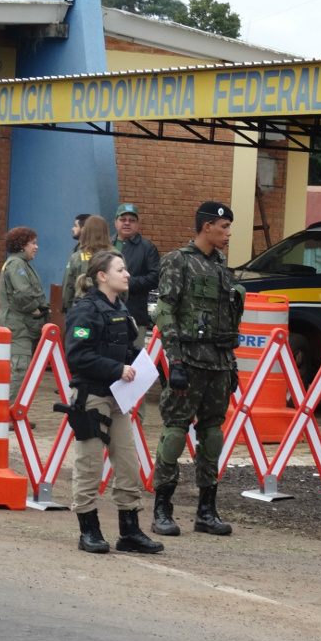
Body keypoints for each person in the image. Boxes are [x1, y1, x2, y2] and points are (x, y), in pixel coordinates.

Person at [150, 201, 244, 538]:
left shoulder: (221, 267)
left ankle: (207, 511)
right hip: (187, 359)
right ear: (207, 226)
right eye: (224, 227)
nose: (228, 233)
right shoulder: (178, 261)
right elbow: (165, 311)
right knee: (175, 433)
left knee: (213, 435)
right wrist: (174, 361)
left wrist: (231, 364)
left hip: (218, 363)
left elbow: (226, 321)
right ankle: (162, 509)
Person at [64, 249, 163, 555]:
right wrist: (116, 369)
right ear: (101, 276)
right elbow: (77, 355)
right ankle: (89, 530)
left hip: (117, 397)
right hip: (92, 396)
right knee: (90, 463)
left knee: (128, 463)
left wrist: (142, 365)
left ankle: (130, 531)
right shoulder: (85, 311)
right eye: (121, 269)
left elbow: (125, 348)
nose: (127, 274)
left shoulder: (120, 308)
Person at [0, 226, 50, 404]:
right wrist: (36, 311)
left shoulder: (20, 264)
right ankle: (8, 413)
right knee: (19, 369)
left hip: (22, 326)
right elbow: (23, 293)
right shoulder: (17, 264)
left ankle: (14, 412)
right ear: (21, 245)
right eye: (32, 243)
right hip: (19, 326)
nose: (36, 247)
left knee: (21, 370)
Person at [113, 203, 160, 348]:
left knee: (134, 362)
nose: (127, 223)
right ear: (116, 222)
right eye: (123, 219)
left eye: (132, 220)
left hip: (134, 315)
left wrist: (126, 283)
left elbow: (154, 278)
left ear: (137, 224)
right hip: (107, 313)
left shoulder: (147, 248)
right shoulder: (107, 244)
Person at [61, 215, 112, 312]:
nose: (72, 228)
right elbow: (124, 289)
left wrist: (70, 309)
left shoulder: (77, 257)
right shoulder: (116, 256)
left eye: (75, 226)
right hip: (110, 310)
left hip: (82, 310)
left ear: (85, 229)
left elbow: (68, 287)